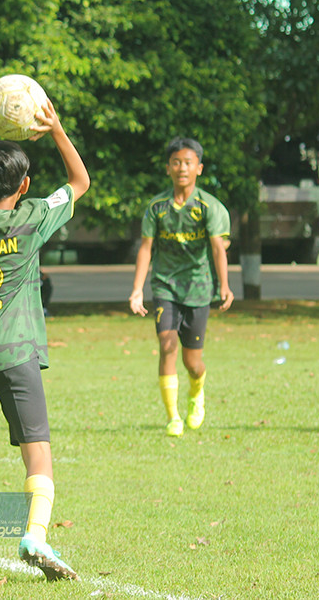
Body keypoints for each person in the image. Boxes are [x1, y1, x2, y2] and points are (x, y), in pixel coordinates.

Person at [0, 86, 90, 580]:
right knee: (37, 447)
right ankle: (34, 533)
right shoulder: (32, 219)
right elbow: (79, 180)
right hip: (15, 351)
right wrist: (55, 129)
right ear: (25, 185)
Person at [128, 137, 233, 437]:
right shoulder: (157, 208)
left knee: (193, 362)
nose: (181, 168)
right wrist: (137, 289)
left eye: (188, 163)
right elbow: (146, 249)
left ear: (199, 168)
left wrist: (224, 286)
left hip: (199, 289)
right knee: (167, 345)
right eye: (176, 162)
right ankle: (173, 417)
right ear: (168, 168)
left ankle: (196, 394)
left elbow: (218, 249)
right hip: (165, 287)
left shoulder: (208, 207)